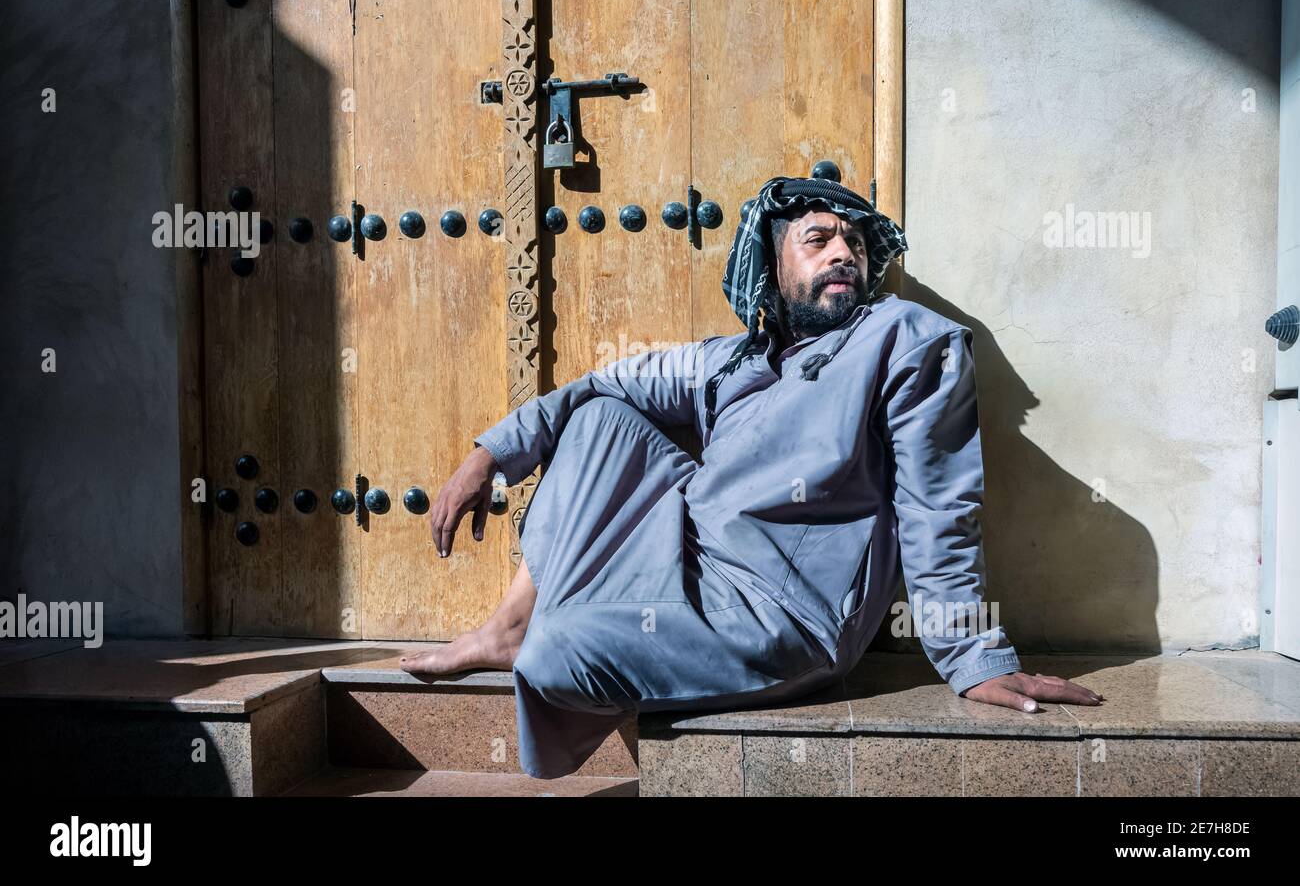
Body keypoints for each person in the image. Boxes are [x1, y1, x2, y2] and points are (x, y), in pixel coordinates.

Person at [400, 175, 1103, 779]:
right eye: (818, 240)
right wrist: (489, 455)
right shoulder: (728, 362)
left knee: (558, 659)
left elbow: (936, 501)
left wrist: (971, 653)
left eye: (856, 245)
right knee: (600, 414)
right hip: (676, 574)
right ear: (773, 263)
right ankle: (508, 625)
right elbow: (598, 387)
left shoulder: (904, 338)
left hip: (781, 617)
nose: (843, 255)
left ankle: (538, 636)